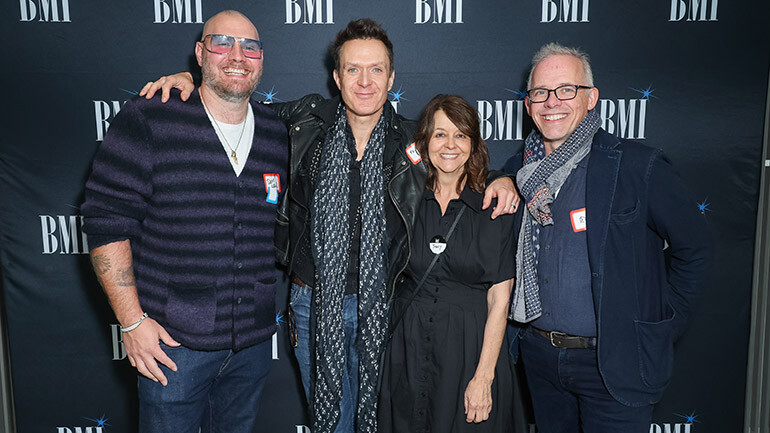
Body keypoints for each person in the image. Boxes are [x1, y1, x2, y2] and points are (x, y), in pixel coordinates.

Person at [140, 19, 518, 433]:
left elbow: (458, 155)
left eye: (376, 69)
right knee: (333, 422)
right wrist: (194, 84)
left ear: (391, 77)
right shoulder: (305, 120)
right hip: (311, 303)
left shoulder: (412, 139)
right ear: (337, 77)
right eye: (353, 69)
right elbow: (235, 105)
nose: (365, 81)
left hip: (385, 305)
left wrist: (501, 177)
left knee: (379, 417)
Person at [81, 10, 287, 433]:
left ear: (262, 59)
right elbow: (105, 222)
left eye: (250, 46)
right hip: (172, 348)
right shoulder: (150, 117)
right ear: (199, 52)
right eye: (221, 43)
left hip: (251, 348)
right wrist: (133, 323)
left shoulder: (277, 130)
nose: (237, 56)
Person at [504, 42, 711, 432]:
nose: (552, 102)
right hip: (540, 359)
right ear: (528, 104)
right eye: (540, 93)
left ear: (591, 98)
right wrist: (502, 177)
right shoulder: (520, 171)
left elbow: (695, 250)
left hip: (614, 364)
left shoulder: (636, 165)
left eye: (566, 89)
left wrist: (662, 327)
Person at [378, 95, 515, 433]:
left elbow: (500, 301)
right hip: (407, 348)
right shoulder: (405, 201)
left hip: (469, 349)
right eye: (440, 134)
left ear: (473, 143)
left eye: (460, 135)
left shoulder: (494, 205)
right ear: (425, 142)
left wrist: (483, 377)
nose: (450, 145)